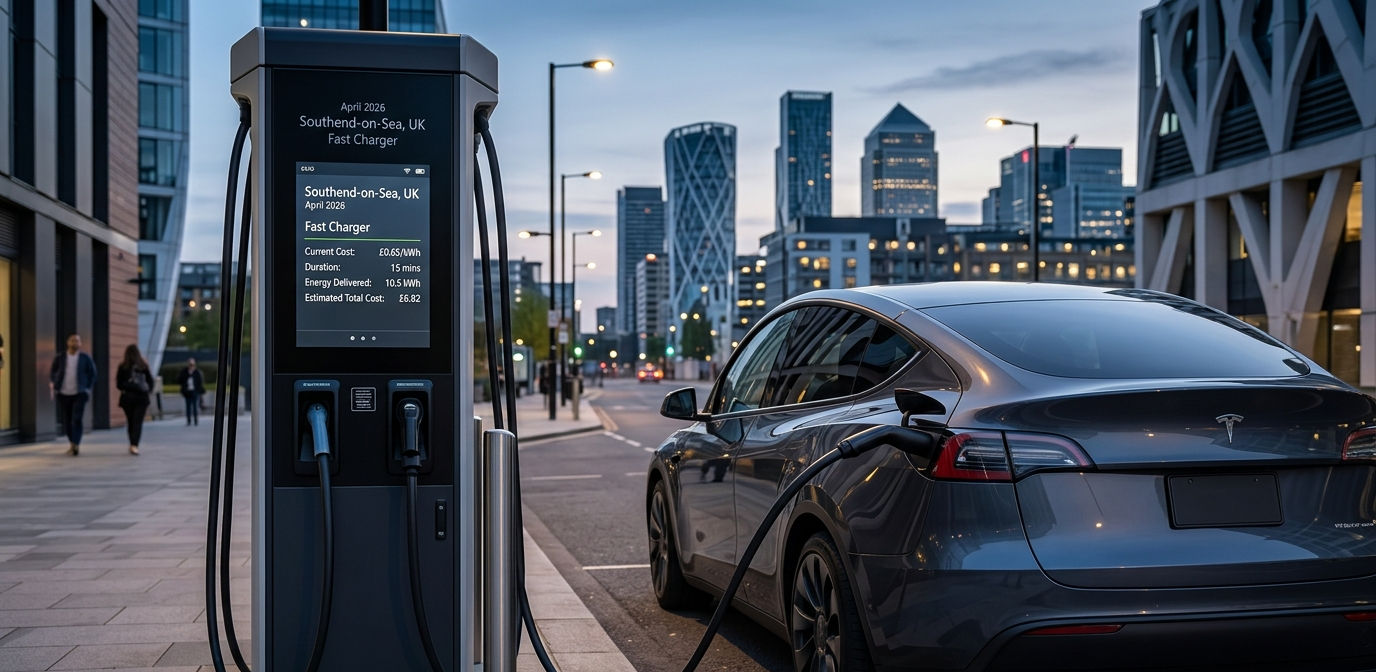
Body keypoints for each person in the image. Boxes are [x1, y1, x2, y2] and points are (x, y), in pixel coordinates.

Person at [49, 334, 97, 456]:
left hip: (80, 393)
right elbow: (53, 371)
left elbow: (93, 374)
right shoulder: (60, 357)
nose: (75, 343)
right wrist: (54, 384)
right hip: (64, 393)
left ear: (80, 343)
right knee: (67, 419)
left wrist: (87, 389)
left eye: (77, 341)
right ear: (68, 342)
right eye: (73, 340)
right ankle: (72, 443)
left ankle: (76, 444)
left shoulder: (85, 358)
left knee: (76, 418)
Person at [116, 344, 155, 456]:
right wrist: (147, 390)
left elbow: (119, 384)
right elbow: (150, 381)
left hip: (128, 398)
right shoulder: (143, 366)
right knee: (137, 422)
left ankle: (132, 443)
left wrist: (129, 386)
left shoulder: (123, 367)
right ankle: (134, 445)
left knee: (131, 422)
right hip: (141, 398)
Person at [177, 358, 205, 426]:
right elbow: (179, 380)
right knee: (188, 407)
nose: (191, 366)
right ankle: (189, 421)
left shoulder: (197, 372)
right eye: (190, 365)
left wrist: (199, 391)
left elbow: (200, 382)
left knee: (195, 406)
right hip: (187, 392)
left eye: (192, 365)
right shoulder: (184, 372)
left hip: (195, 391)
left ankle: (196, 420)